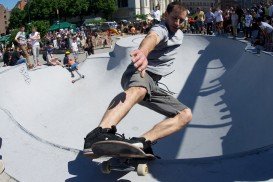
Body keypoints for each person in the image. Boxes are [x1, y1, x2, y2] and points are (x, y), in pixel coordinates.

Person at [83, 1, 192, 157]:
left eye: (181, 20)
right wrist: (143, 52)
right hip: (140, 72)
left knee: (185, 115)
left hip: (152, 85)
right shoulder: (161, 28)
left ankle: (141, 142)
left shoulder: (179, 34)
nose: (177, 23)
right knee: (139, 89)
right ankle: (100, 133)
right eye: (174, 18)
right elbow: (152, 37)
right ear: (165, 15)